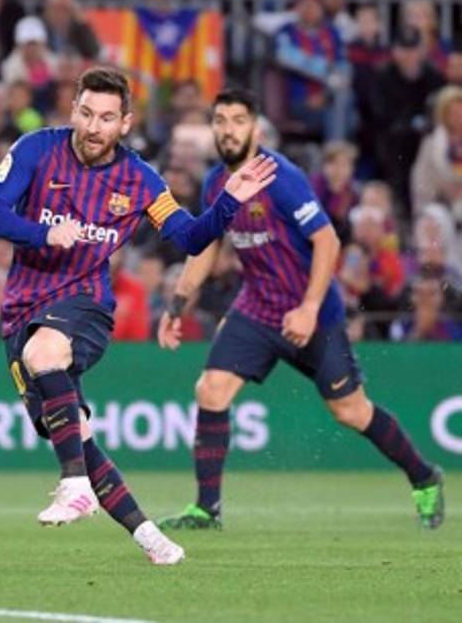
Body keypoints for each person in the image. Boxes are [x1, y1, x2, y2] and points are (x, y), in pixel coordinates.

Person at [0, 66, 278, 565]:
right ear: (73, 110)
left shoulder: (139, 180)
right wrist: (42, 233)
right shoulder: (35, 149)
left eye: (107, 118)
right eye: (87, 113)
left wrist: (227, 202)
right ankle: (151, 539)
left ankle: (72, 484)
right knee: (76, 434)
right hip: (21, 311)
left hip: (86, 305)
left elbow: (189, 237)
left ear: (126, 123)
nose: (94, 127)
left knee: (44, 352)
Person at [156, 88, 444, 532]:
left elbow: (327, 241)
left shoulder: (282, 177)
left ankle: (424, 476)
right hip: (257, 307)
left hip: (313, 313)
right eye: (220, 120)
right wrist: (178, 303)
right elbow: (206, 244)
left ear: (255, 126)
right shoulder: (217, 182)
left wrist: (309, 309)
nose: (227, 129)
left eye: (237, 120)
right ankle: (206, 509)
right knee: (210, 390)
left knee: (350, 411)